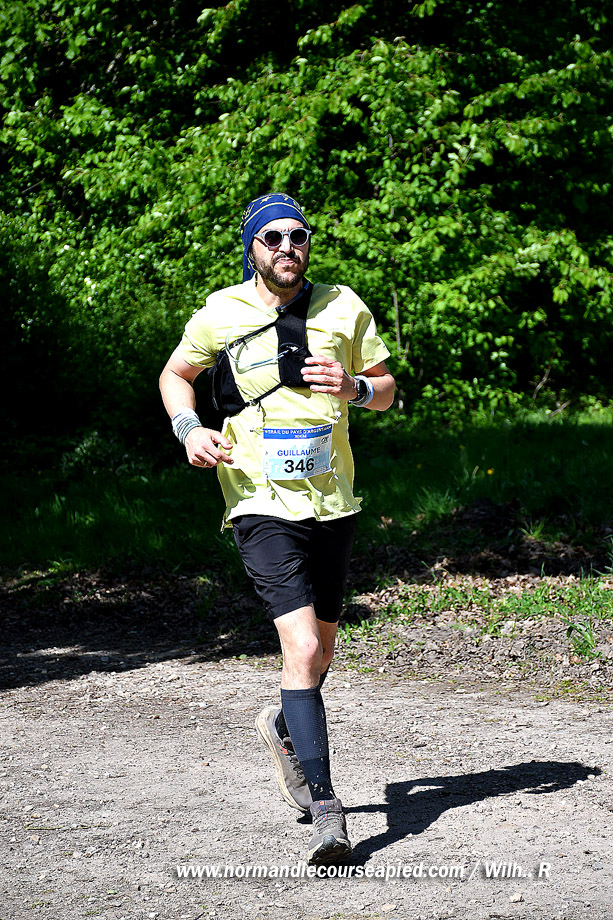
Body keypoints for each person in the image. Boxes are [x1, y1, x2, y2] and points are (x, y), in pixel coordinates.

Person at [159, 192, 394, 864]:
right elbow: (176, 375)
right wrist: (189, 429)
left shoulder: (342, 306)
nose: (288, 247)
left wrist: (353, 388)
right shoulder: (221, 311)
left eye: (298, 236)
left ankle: (285, 725)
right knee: (300, 644)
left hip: (331, 498)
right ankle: (326, 811)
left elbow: (385, 389)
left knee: (320, 653)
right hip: (256, 496)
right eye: (273, 238)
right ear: (253, 248)